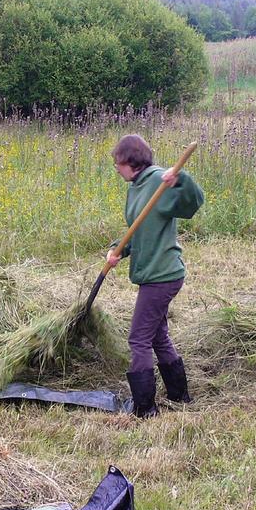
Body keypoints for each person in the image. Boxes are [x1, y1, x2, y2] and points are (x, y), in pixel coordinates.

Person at [105, 135, 205, 418]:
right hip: (150, 274)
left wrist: (181, 180)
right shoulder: (136, 187)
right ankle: (179, 395)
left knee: (138, 338)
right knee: (157, 335)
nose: (116, 168)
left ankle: (145, 408)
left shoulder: (160, 181)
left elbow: (193, 204)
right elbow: (137, 231)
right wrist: (117, 251)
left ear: (130, 162)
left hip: (163, 275)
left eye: (118, 163)